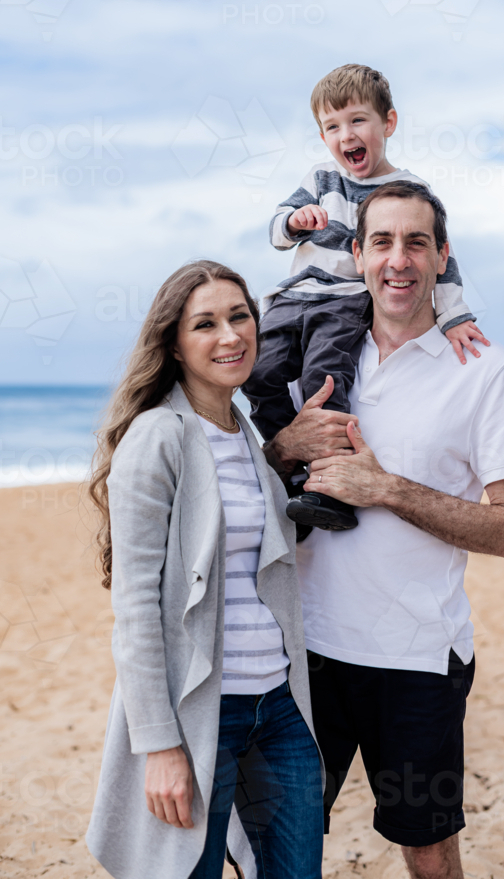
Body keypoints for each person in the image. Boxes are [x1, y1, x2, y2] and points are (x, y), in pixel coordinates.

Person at [263, 181, 504, 879]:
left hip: (418, 660)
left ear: (440, 257)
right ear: (354, 255)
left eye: (416, 242)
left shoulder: (485, 371)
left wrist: (383, 488)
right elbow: (249, 483)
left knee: (426, 847)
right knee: (277, 842)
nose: (398, 259)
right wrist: (282, 448)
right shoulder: (316, 360)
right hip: (303, 658)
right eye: (381, 241)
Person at [85, 260, 323, 879]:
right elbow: (135, 609)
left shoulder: (244, 432)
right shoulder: (156, 437)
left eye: (240, 317)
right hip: (201, 715)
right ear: (174, 344)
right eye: (206, 324)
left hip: (279, 705)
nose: (230, 336)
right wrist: (159, 745)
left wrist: (288, 452)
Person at [242, 63, 489, 534]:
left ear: (387, 125)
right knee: (260, 374)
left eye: (357, 121)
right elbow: (275, 230)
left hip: (346, 302)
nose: (345, 135)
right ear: (322, 137)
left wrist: (454, 315)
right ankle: (292, 463)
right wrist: (296, 222)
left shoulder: (409, 191)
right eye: (332, 127)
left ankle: (327, 487)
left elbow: (441, 259)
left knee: (325, 380)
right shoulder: (320, 178)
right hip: (296, 297)